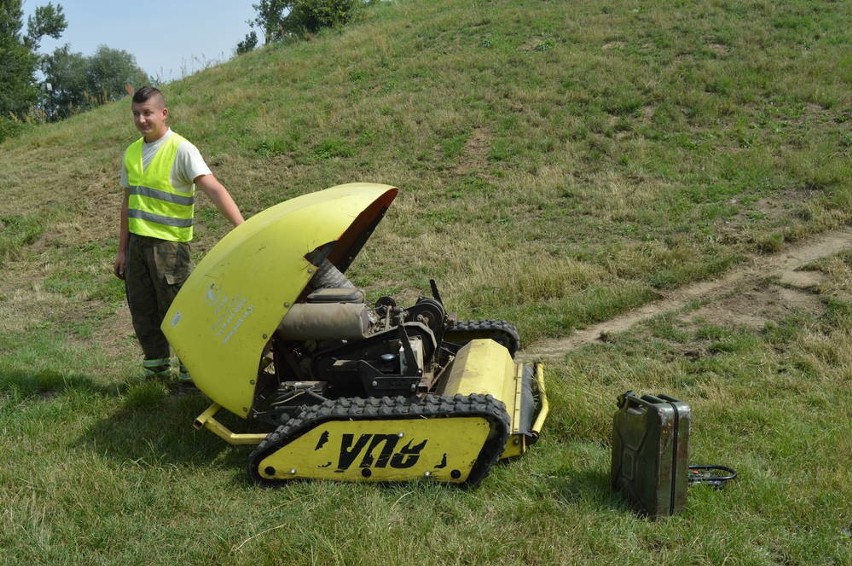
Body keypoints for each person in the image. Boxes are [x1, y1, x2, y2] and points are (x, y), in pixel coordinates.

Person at [113, 86, 244, 386]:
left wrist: (242, 227)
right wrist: (122, 250)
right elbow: (126, 204)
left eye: (147, 113)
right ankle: (157, 374)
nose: (142, 119)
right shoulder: (132, 152)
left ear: (163, 113)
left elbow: (214, 188)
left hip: (169, 247)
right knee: (143, 312)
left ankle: (191, 376)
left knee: (178, 312)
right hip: (137, 246)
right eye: (136, 114)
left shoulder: (181, 149)